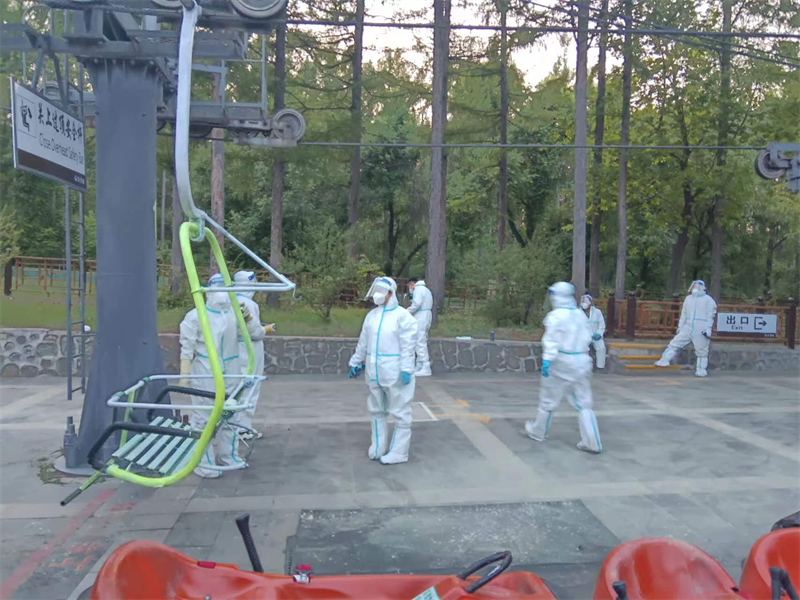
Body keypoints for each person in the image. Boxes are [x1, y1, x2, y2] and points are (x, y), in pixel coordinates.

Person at [524, 281, 602, 454]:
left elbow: (551, 341)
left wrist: (547, 360)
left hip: (561, 361)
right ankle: (592, 442)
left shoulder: (556, 316)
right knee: (584, 403)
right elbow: (587, 337)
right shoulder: (580, 315)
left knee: (548, 399)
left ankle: (538, 432)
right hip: (582, 361)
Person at [348, 276, 418, 465]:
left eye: (381, 291)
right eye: (376, 291)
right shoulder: (372, 316)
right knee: (376, 410)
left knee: (401, 411)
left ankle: (399, 452)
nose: (377, 295)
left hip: (395, 372)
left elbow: (408, 346)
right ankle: (378, 447)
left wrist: (406, 369)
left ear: (391, 293)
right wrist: (356, 362)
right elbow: (363, 342)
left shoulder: (403, 316)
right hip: (374, 372)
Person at [179, 273, 243, 478]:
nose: (222, 291)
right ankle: (204, 462)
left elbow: (250, 335)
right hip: (205, 370)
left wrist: (248, 319)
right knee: (204, 416)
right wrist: (184, 376)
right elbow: (186, 347)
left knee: (231, 413)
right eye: (218, 286)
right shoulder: (196, 316)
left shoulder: (234, 314)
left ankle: (229, 456)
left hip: (231, 368)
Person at [233, 270, 276, 441]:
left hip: (236, 349)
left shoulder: (231, 300)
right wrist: (265, 329)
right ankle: (243, 428)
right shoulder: (248, 304)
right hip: (249, 349)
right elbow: (254, 331)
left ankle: (236, 425)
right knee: (250, 387)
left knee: (238, 388)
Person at [655, 279, 717, 377]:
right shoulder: (688, 299)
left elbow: (710, 316)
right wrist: (680, 326)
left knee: (701, 350)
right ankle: (664, 360)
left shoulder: (708, 300)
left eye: (697, 286)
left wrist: (708, 329)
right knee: (675, 343)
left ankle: (701, 369)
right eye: (694, 286)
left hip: (700, 327)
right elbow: (683, 314)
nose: (694, 287)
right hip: (688, 326)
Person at [407, 277, 434, 377]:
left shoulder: (418, 289)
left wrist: (406, 312)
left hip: (421, 317)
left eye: (409, 286)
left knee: (419, 341)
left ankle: (425, 366)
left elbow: (416, 304)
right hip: (426, 316)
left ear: (411, 284)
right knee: (421, 339)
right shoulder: (426, 290)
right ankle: (419, 365)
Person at [581, 294, 606, 370]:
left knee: (601, 348)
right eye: (582, 301)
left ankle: (600, 367)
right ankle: (583, 367)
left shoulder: (597, 312)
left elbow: (602, 325)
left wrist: (599, 333)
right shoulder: (578, 313)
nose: (584, 303)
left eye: (585, 301)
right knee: (581, 348)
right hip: (583, 337)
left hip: (595, 335)